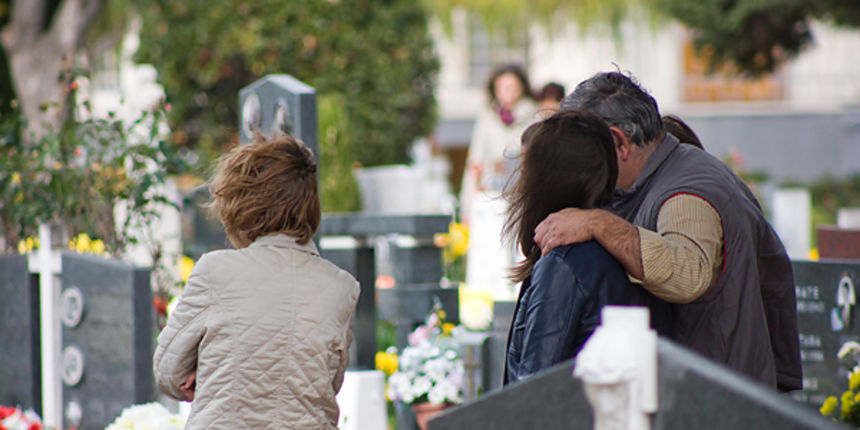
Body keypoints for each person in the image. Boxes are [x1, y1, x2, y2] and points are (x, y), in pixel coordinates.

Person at [534, 71, 801, 392]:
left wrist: (599, 224)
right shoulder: (672, 171)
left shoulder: (687, 191)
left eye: (582, 147)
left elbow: (687, 273)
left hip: (715, 405)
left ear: (618, 142)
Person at [153, 133, 360, 428]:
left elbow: (169, 372)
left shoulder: (215, 271)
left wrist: (211, 371)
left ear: (239, 204)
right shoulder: (342, 287)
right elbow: (327, 381)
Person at [503, 110, 673, 385]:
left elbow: (533, 391)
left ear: (544, 180)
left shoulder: (563, 264)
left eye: (526, 170)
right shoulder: (622, 240)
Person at [460, 63, 538, 300]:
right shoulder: (487, 117)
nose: (507, 92)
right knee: (489, 256)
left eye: (512, 87)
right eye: (502, 87)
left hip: (521, 195)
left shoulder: (532, 114)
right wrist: (466, 204)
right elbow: (475, 159)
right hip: (491, 197)